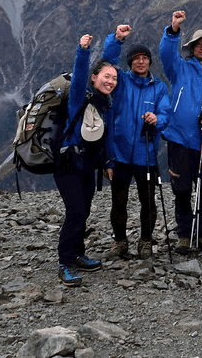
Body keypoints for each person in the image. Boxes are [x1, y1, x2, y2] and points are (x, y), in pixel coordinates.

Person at [159, 10, 202, 254]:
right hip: (178, 137)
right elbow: (166, 54)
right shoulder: (180, 68)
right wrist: (173, 30)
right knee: (181, 188)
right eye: (199, 44)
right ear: (192, 47)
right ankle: (185, 235)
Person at [102, 25, 171, 260]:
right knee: (118, 203)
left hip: (147, 154)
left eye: (144, 58)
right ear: (130, 63)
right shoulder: (120, 81)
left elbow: (165, 114)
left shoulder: (159, 88)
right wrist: (118, 39)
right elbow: (107, 62)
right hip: (119, 153)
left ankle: (145, 241)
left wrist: (157, 119)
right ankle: (120, 241)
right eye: (136, 59)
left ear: (149, 62)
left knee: (148, 202)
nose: (140, 62)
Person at [54, 33, 117, 286]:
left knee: (84, 210)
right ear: (94, 78)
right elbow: (79, 75)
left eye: (114, 78)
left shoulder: (105, 104)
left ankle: (78, 254)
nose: (110, 81)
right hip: (68, 165)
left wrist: (109, 163)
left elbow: (106, 138)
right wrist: (83, 51)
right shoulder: (80, 96)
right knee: (76, 211)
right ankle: (65, 262)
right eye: (106, 77)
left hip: (88, 166)